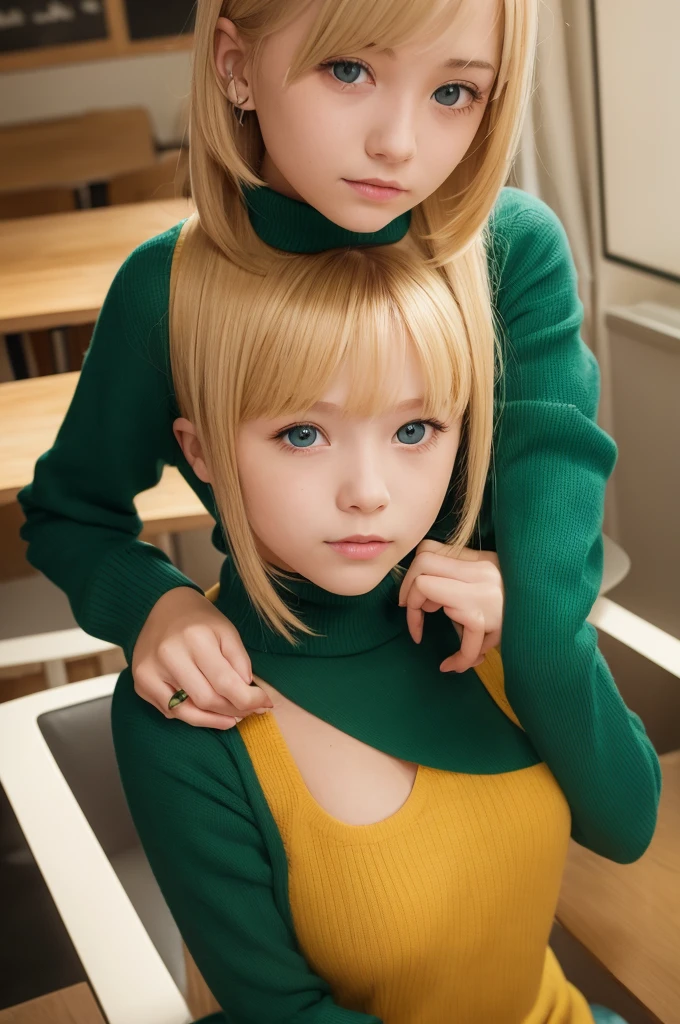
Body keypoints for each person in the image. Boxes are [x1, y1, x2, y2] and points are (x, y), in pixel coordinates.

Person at [18, 0, 658, 849]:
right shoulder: (167, 288)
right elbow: (69, 510)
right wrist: (155, 606)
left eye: (455, 92)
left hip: (495, 718)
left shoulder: (512, 253)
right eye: (349, 70)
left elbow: (619, 814)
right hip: (281, 704)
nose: (399, 142)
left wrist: (529, 612)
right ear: (235, 64)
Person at [113, 242, 653, 1023]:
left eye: (414, 431)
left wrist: (545, 636)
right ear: (200, 451)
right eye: (303, 433)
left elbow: (627, 826)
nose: (369, 494)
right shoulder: (189, 708)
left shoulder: (489, 612)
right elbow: (285, 1014)